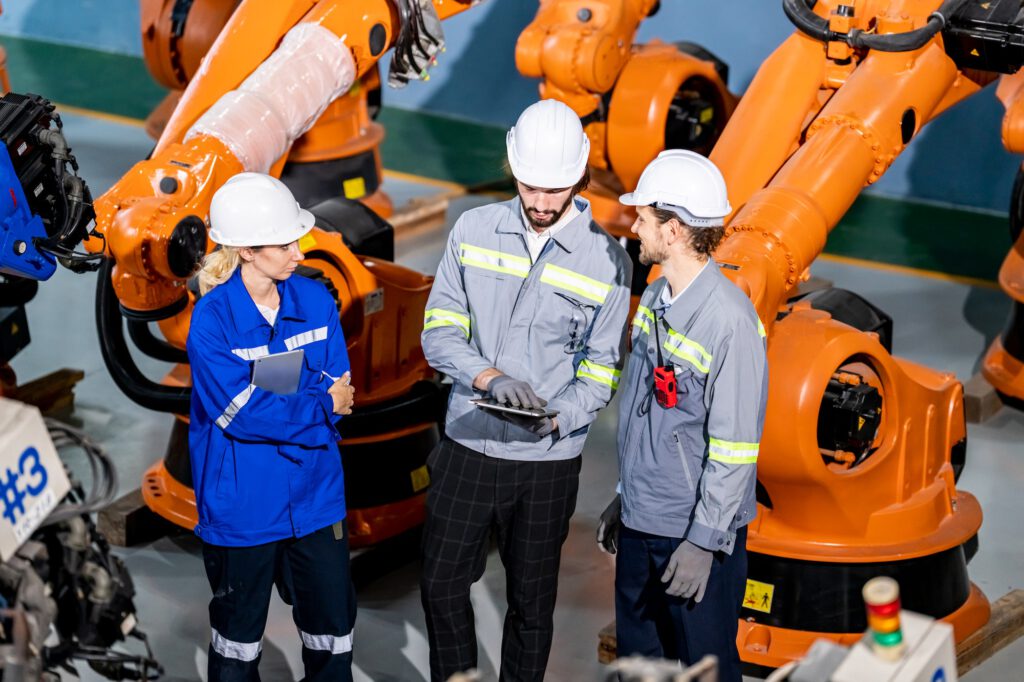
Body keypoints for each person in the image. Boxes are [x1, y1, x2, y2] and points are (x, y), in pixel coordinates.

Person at [419, 99, 632, 682]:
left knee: (531, 605)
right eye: (530, 187)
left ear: (579, 179)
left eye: (555, 191)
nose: (540, 204)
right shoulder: (474, 228)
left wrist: (560, 416)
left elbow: (601, 369)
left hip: (546, 461)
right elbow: (438, 328)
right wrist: (487, 378)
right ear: (513, 170)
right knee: (440, 584)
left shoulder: (608, 262)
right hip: (468, 439)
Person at [596, 150, 768, 682]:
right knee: (637, 668)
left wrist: (703, 541)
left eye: (643, 218)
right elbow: (649, 414)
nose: (633, 225)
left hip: (694, 539)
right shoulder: (653, 296)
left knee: (706, 672)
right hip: (642, 521)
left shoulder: (730, 324)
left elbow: (735, 449)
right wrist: (627, 495)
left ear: (673, 231)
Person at [187, 172, 357, 682]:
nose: (298, 252)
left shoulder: (316, 302)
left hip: (316, 497)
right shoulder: (212, 320)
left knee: (333, 636)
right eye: (283, 243)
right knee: (237, 647)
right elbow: (240, 411)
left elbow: (341, 391)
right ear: (246, 251)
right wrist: (316, 405)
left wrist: (307, 401)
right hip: (244, 508)